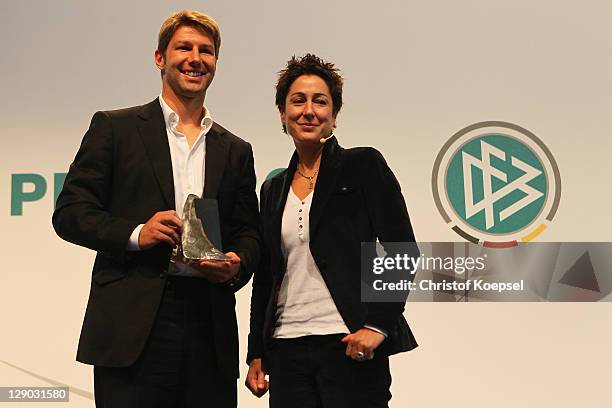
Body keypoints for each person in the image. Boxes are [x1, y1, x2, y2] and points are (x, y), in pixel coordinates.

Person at [52, 10, 260, 408]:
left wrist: (237, 263)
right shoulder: (116, 128)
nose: (195, 58)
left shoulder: (235, 150)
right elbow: (70, 212)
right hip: (133, 325)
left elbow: (248, 232)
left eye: (207, 51)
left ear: (216, 63)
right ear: (160, 58)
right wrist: (136, 234)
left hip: (209, 324)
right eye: (184, 47)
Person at [245, 54, 418, 408]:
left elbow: (402, 250)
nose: (309, 111)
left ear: (334, 116)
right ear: (282, 113)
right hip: (287, 350)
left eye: (320, 101)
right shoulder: (273, 188)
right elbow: (266, 275)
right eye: (298, 100)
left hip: (347, 344)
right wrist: (256, 351)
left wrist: (378, 325)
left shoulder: (363, 165)